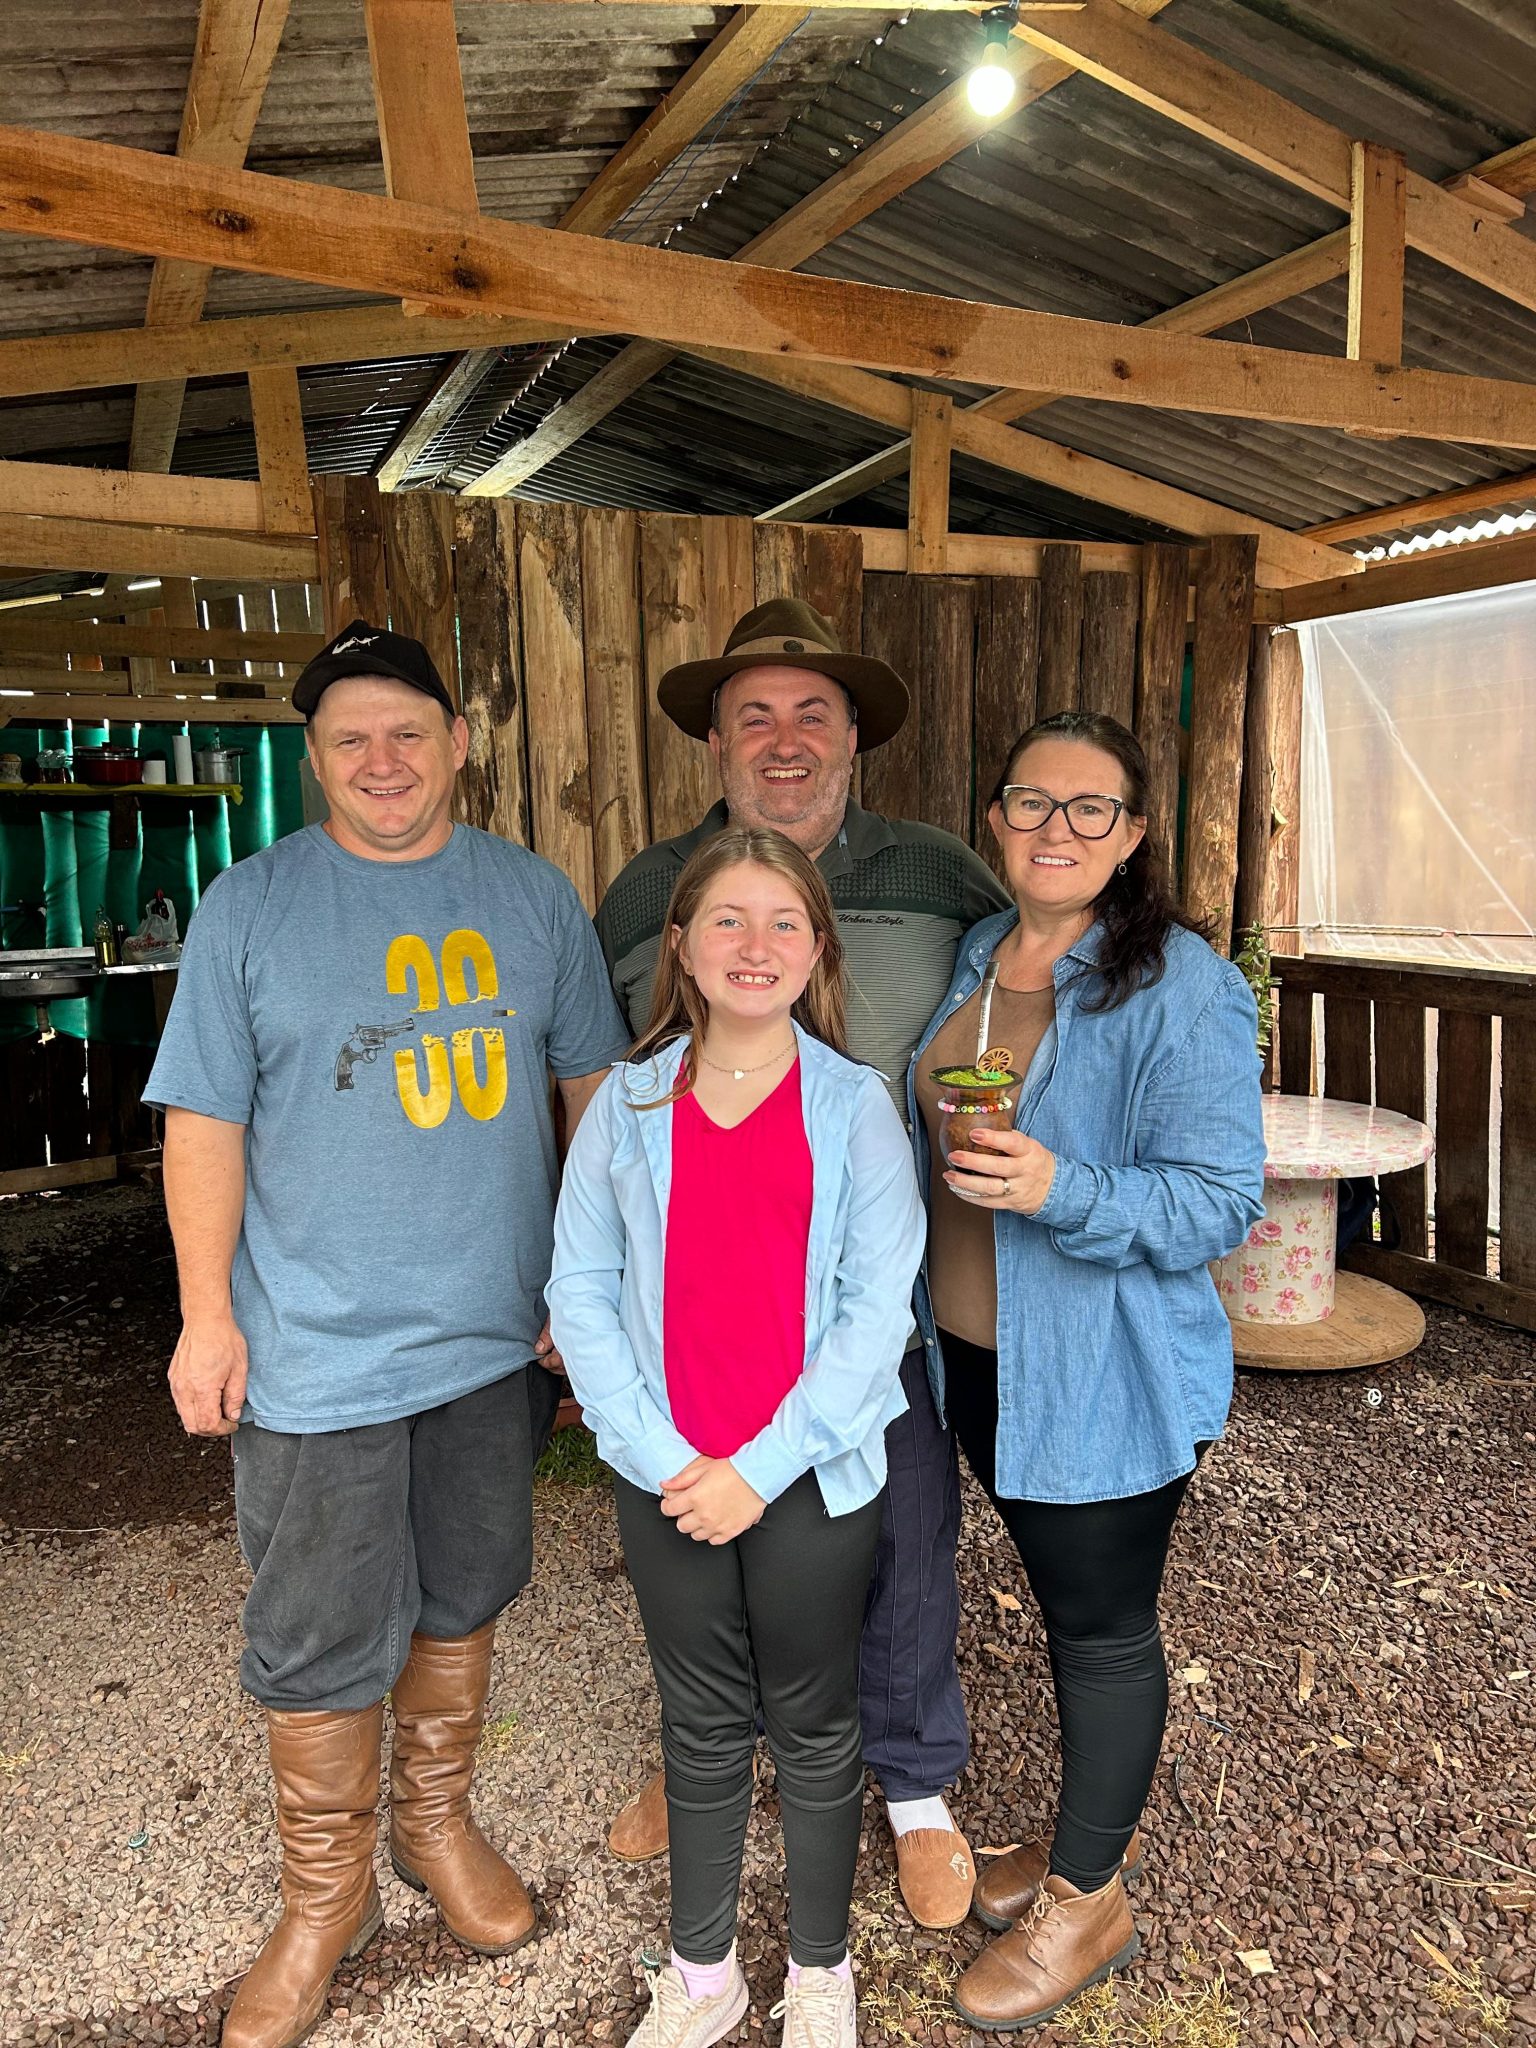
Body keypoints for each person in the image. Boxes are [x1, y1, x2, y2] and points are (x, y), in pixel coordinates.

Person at [145, 620, 629, 2048]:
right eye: (350, 738)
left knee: (467, 1586)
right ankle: (326, 1897)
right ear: (313, 759)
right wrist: (204, 1315)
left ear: (458, 743)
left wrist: (584, 1287)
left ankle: (434, 1823)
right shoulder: (250, 906)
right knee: (315, 1627)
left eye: (408, 731)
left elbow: (595, 1098)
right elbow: (203, 1122)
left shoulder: (532, 897)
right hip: (316, 1348)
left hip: (490, 1339)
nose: (382, 760)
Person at [595, 598, 1010, 1929]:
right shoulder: (650, 891)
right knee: (702, 1522)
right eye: (755, 715)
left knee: (899, 1530)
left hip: (883, 1296)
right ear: (715, 740)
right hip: (703, 1303)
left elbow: (1026, 995)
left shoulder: (942, 875)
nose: (785, 739)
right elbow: (607, 1076)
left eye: (812, 714)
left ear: (853, 739)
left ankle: (916, 1784)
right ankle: (710, 1749)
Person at [907, 709, 1267, 2031]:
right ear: (994, 818)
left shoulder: (1180, 984)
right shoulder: (977, 951)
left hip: (1102, 1371)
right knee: (1064, 1602)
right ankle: (1075, 1849)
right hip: (971, 1358)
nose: (1055, 828)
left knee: (1101, 1629)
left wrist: (1063, 1187)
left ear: (1131, 833)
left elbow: (1221, 1200)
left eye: (1089, 807)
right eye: (1030, 801)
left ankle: (1088, 1897)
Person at [549, 828, 925, 2048]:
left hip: (806, 1472)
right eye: (727, 918)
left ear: (818, 951)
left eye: (783, 922)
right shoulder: (628, 1105)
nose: (754, 945)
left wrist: (756, 1470)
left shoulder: (857, 1109)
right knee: (701, 1721)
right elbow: (579, 1289)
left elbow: (877, 1314)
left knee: (813, 1721)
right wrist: (666, 1457)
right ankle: (703, 1972)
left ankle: (820, 1969)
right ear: (680, 945)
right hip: (665, 1471)